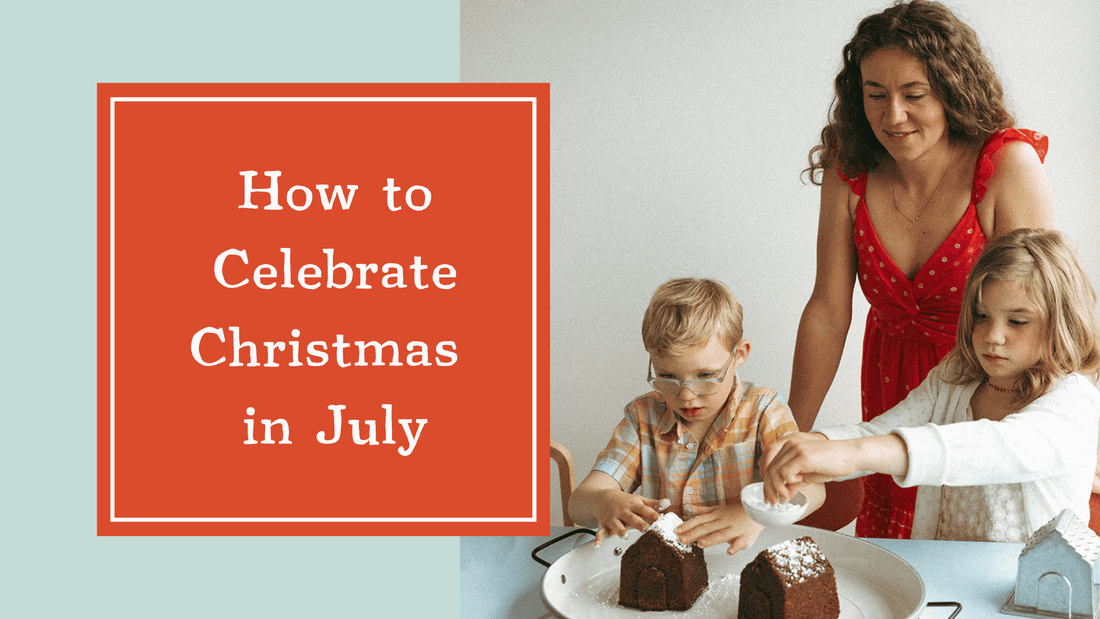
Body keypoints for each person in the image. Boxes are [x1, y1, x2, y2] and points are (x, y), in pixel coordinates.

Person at [789, 0, 1055, 538]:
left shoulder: (1005, 165)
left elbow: (1045, 316)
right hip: (889, 377)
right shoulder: (852, 162)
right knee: (895, 554)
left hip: (987, 384)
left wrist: (1058, 430)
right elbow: (828, 308)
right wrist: (786, 431)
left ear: (953, 90)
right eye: (875, 95)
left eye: (914, 95)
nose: (893, 117)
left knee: (972, 545)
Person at [766, 229, 1100, 541]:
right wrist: (814, 445)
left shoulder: (1074, 402)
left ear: (1063, 323)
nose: (993, 336)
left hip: (1033, 595)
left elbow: (984, 447)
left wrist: (850, 454)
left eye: (1017, 321)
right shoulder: (956, 377)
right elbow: (879, 431)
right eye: (982, 315)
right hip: (942, 579)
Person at [569, 278, 824, 555]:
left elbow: (813, 490)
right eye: (667, 377)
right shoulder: (642, 417)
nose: (687, 395)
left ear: (739, 354)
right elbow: (578, 503)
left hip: (746, 560)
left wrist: (752, 515)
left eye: (705, 376)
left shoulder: (763, 409)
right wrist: (603, 501)